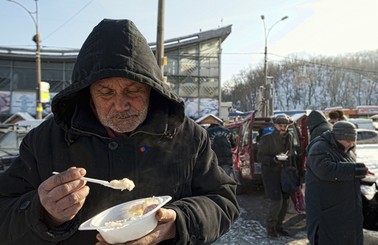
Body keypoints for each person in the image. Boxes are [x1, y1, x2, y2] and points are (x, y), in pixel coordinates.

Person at [0, 19, 240, 245]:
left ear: (150, 88)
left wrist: (179, 223)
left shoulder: (188, 136)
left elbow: (223, 201)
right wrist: (43, 213)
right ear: (87, 93)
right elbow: (4, 213)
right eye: (106, 92)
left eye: (133, 90)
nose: (120, 104)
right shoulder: (44, 141)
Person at [305, 121, 371, 245]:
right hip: (327, 212)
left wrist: (361, 175)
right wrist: (356, 170)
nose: (350, 144)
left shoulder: (347, 150)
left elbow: (345, 171)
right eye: (348, 141)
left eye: (353, 141)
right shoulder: (319, 147)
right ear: (338, 137)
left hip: (344, 211)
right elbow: (325, 170)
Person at [257, 114, 296, 238]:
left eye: (285, 126)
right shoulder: (267, 138)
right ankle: (271, 228)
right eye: (280, 125)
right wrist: (273, 159)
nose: (283, 128)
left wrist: (294, 171)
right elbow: (260, 157)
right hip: (270, 174)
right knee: (276, 201)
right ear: (275, 125)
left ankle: (279, 226)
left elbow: (291, 154)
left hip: (285, 172)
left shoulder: (290, 136)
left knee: (285, 200)